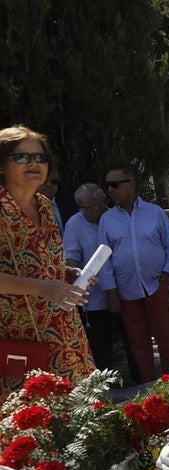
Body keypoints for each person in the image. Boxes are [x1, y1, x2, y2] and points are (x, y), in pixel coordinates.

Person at [0, 125, 95, 396]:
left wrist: (67, 274)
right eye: (22, 157)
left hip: (65, 338)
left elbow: (41, 262)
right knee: (26, 417)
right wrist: (42, 288)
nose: (34, 164)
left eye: (41, 157)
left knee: (78, 411)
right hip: (17, 341)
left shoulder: (44, 205)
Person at [100, 164, 169, 379]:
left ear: (131, 184)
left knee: (168, 338)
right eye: (108, 185)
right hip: (126, 290)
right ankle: (148, 388)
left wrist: (167, 274)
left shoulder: (155, 213)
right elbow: (104, 258)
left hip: (157, 285)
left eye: (115, 184)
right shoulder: (107, 219)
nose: (110, 190)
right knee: (138, 342)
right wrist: (111, 291)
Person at [63, 183, 133, 379]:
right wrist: (75, 276)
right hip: (94, 297)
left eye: (92, 207)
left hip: (125, 290)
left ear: (103, 202)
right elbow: (71, 256)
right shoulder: (75, 223)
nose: (87, 212)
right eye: (83, 208)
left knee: (128, 341)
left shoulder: (114, 218)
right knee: (99, 345)